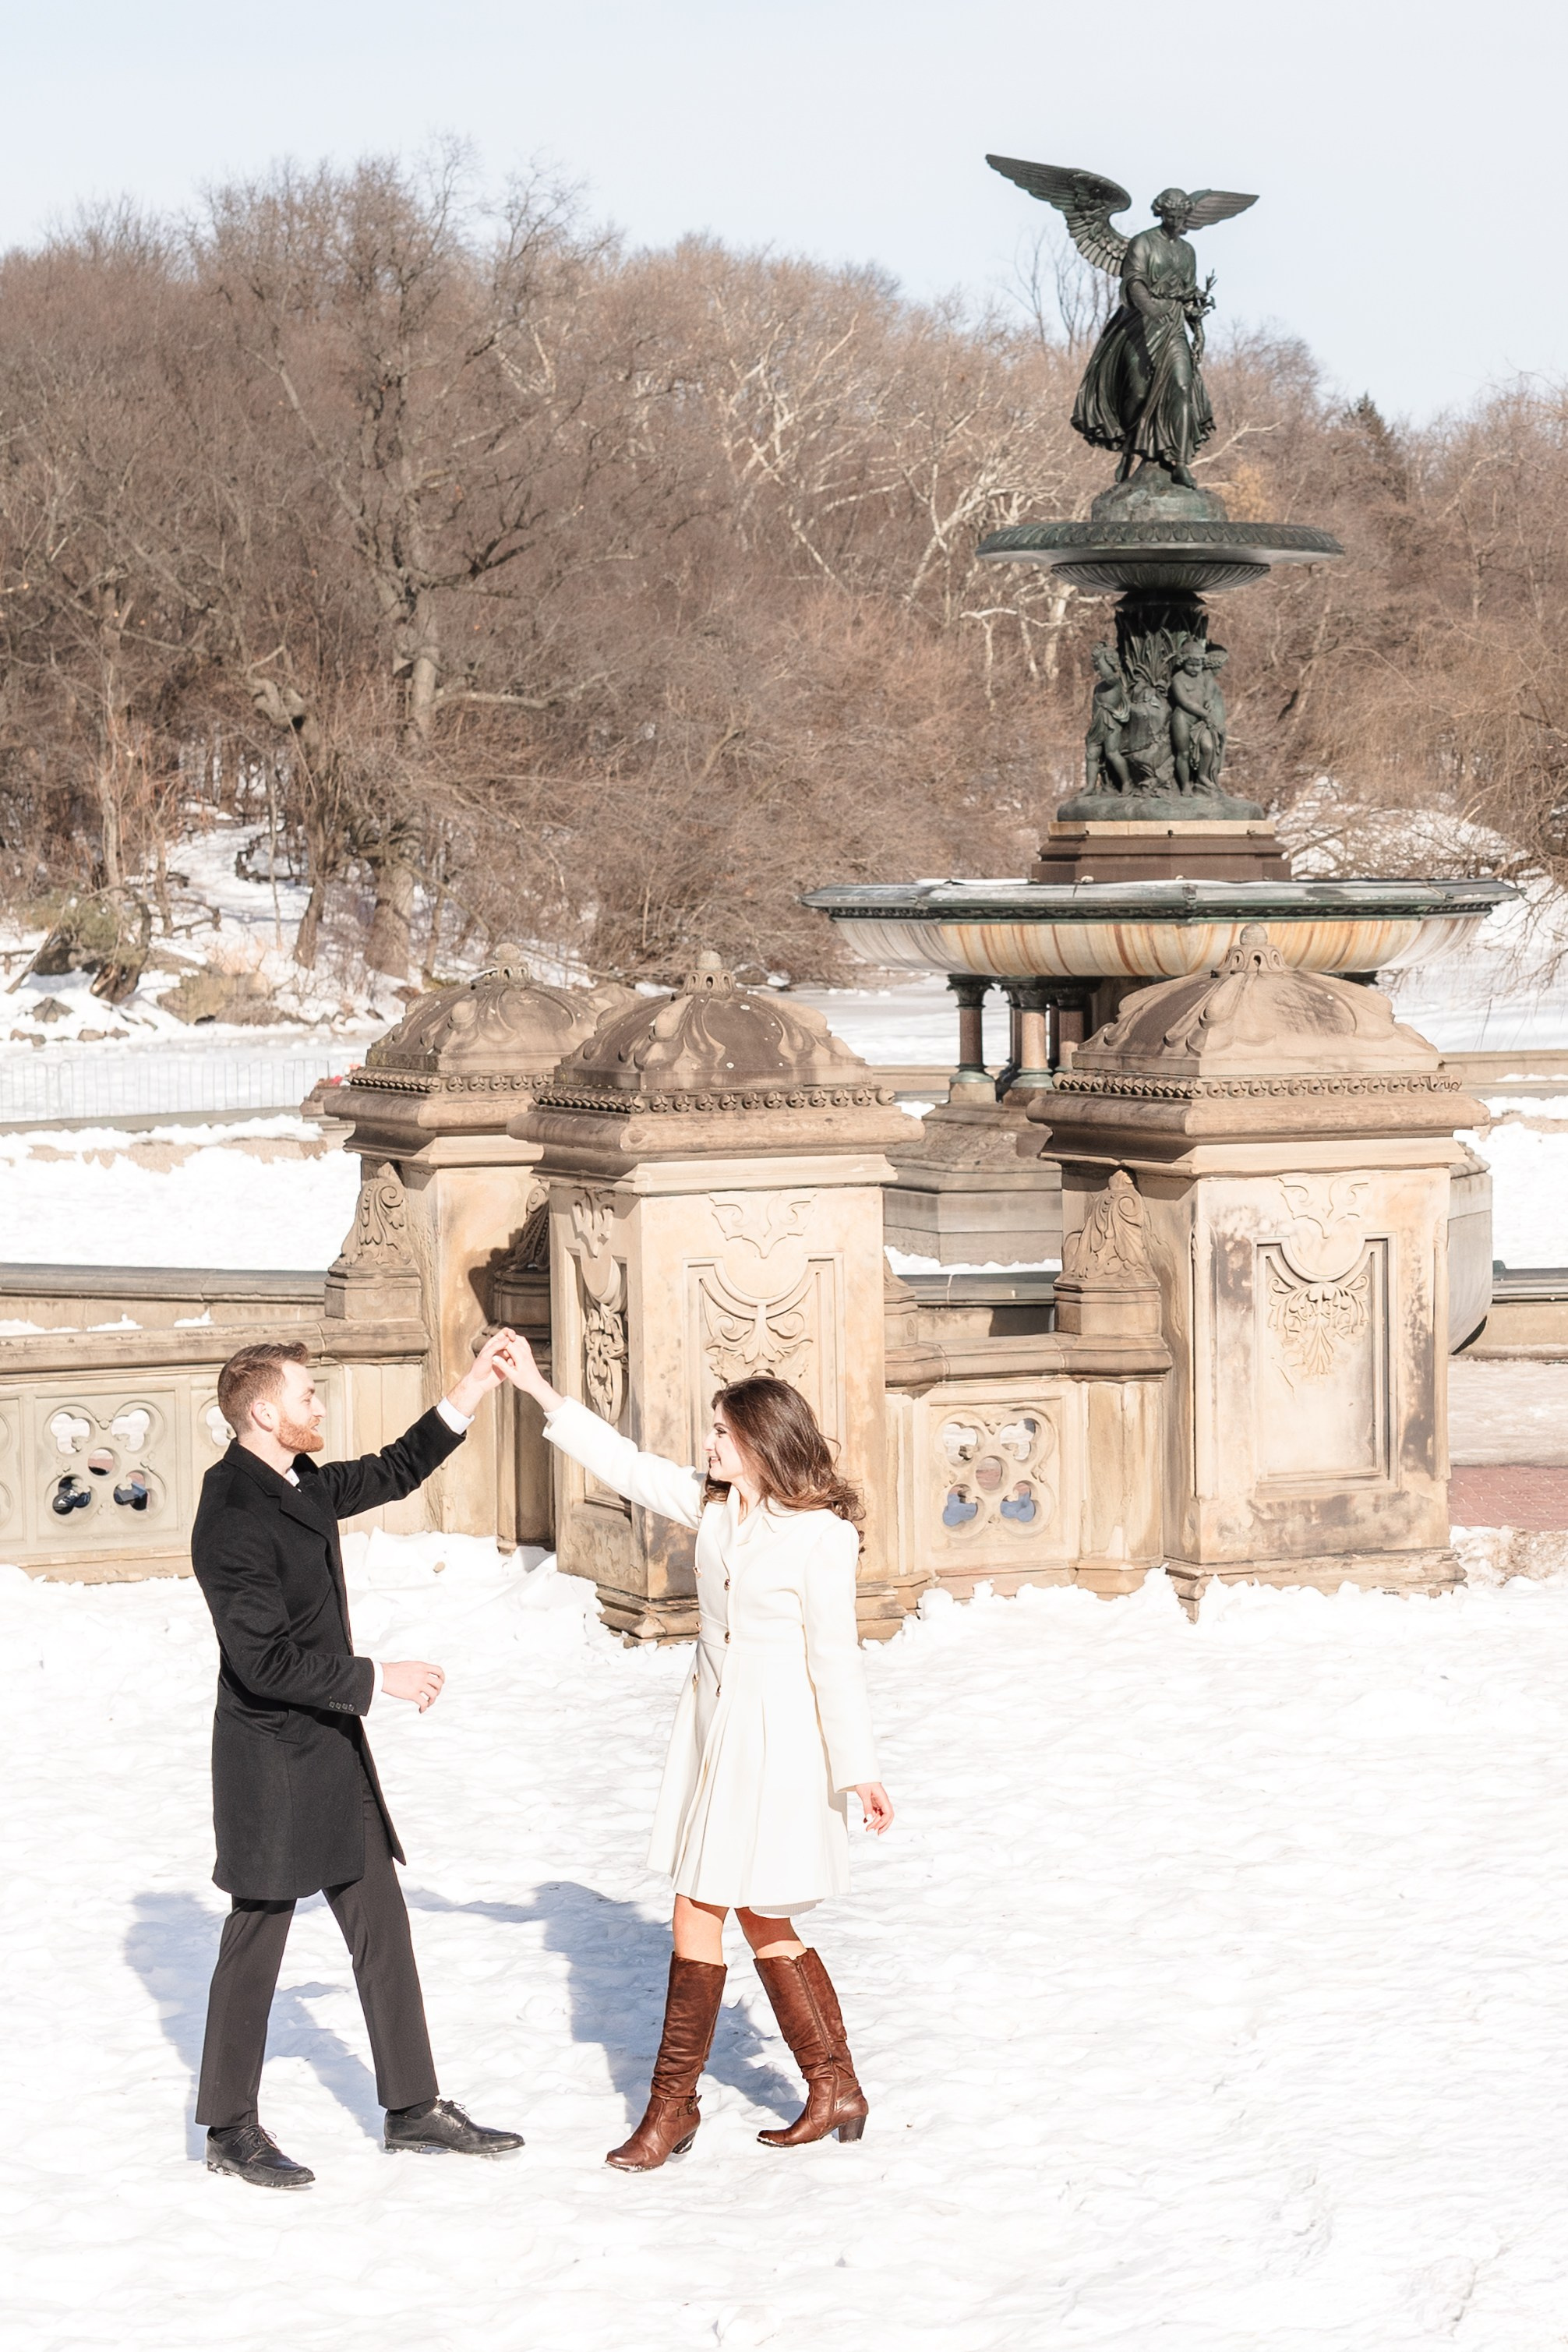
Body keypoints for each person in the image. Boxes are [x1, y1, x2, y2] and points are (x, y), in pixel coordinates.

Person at [502, 1339, 894, 2171]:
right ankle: (836, 2086)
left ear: (760, 1441)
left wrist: (858, 1769)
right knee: (758, 1916)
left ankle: (670, 2110)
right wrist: (540, 1390)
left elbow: (834, 1657)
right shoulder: (716, 1506)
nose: (708, 1444)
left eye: (721, 1431)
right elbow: (629, 1466)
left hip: (779, 1744)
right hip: (713, 1733)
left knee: (700, 1908)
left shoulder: (821, 1538)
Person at [191, 1335, 524, 2189]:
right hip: (269, 1756)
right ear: (264, 1412)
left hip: (328, 1747)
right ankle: (230, 2127)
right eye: (307, 1395)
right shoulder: (231, 1513)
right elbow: (262, 1661)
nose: (319, 1406)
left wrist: (470, 1389)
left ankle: (412, 2108)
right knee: (257, 1934)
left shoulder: (292, 1480)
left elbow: (392, 1470)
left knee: (380, 1919)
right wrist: (379, 1679)